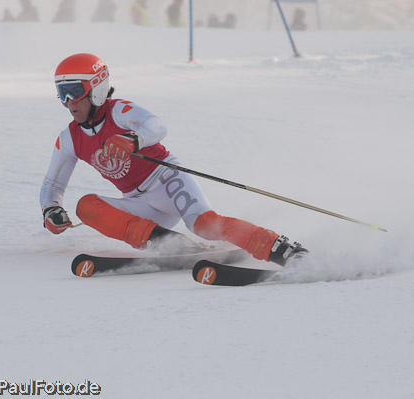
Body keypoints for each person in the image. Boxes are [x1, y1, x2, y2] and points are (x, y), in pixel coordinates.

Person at [40, 53, 307, 266]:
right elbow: (53, 185)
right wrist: (51, 209)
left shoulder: (119, 111)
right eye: (61, 93)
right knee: (86, 206)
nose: (68, 101)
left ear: (97, 88)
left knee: (204, 225)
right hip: (139, 203)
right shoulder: (69, 138)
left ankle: (280, 248)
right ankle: (167, 243)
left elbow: (157, 126)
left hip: (167, 180)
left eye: (74, 90)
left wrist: (133, 139)